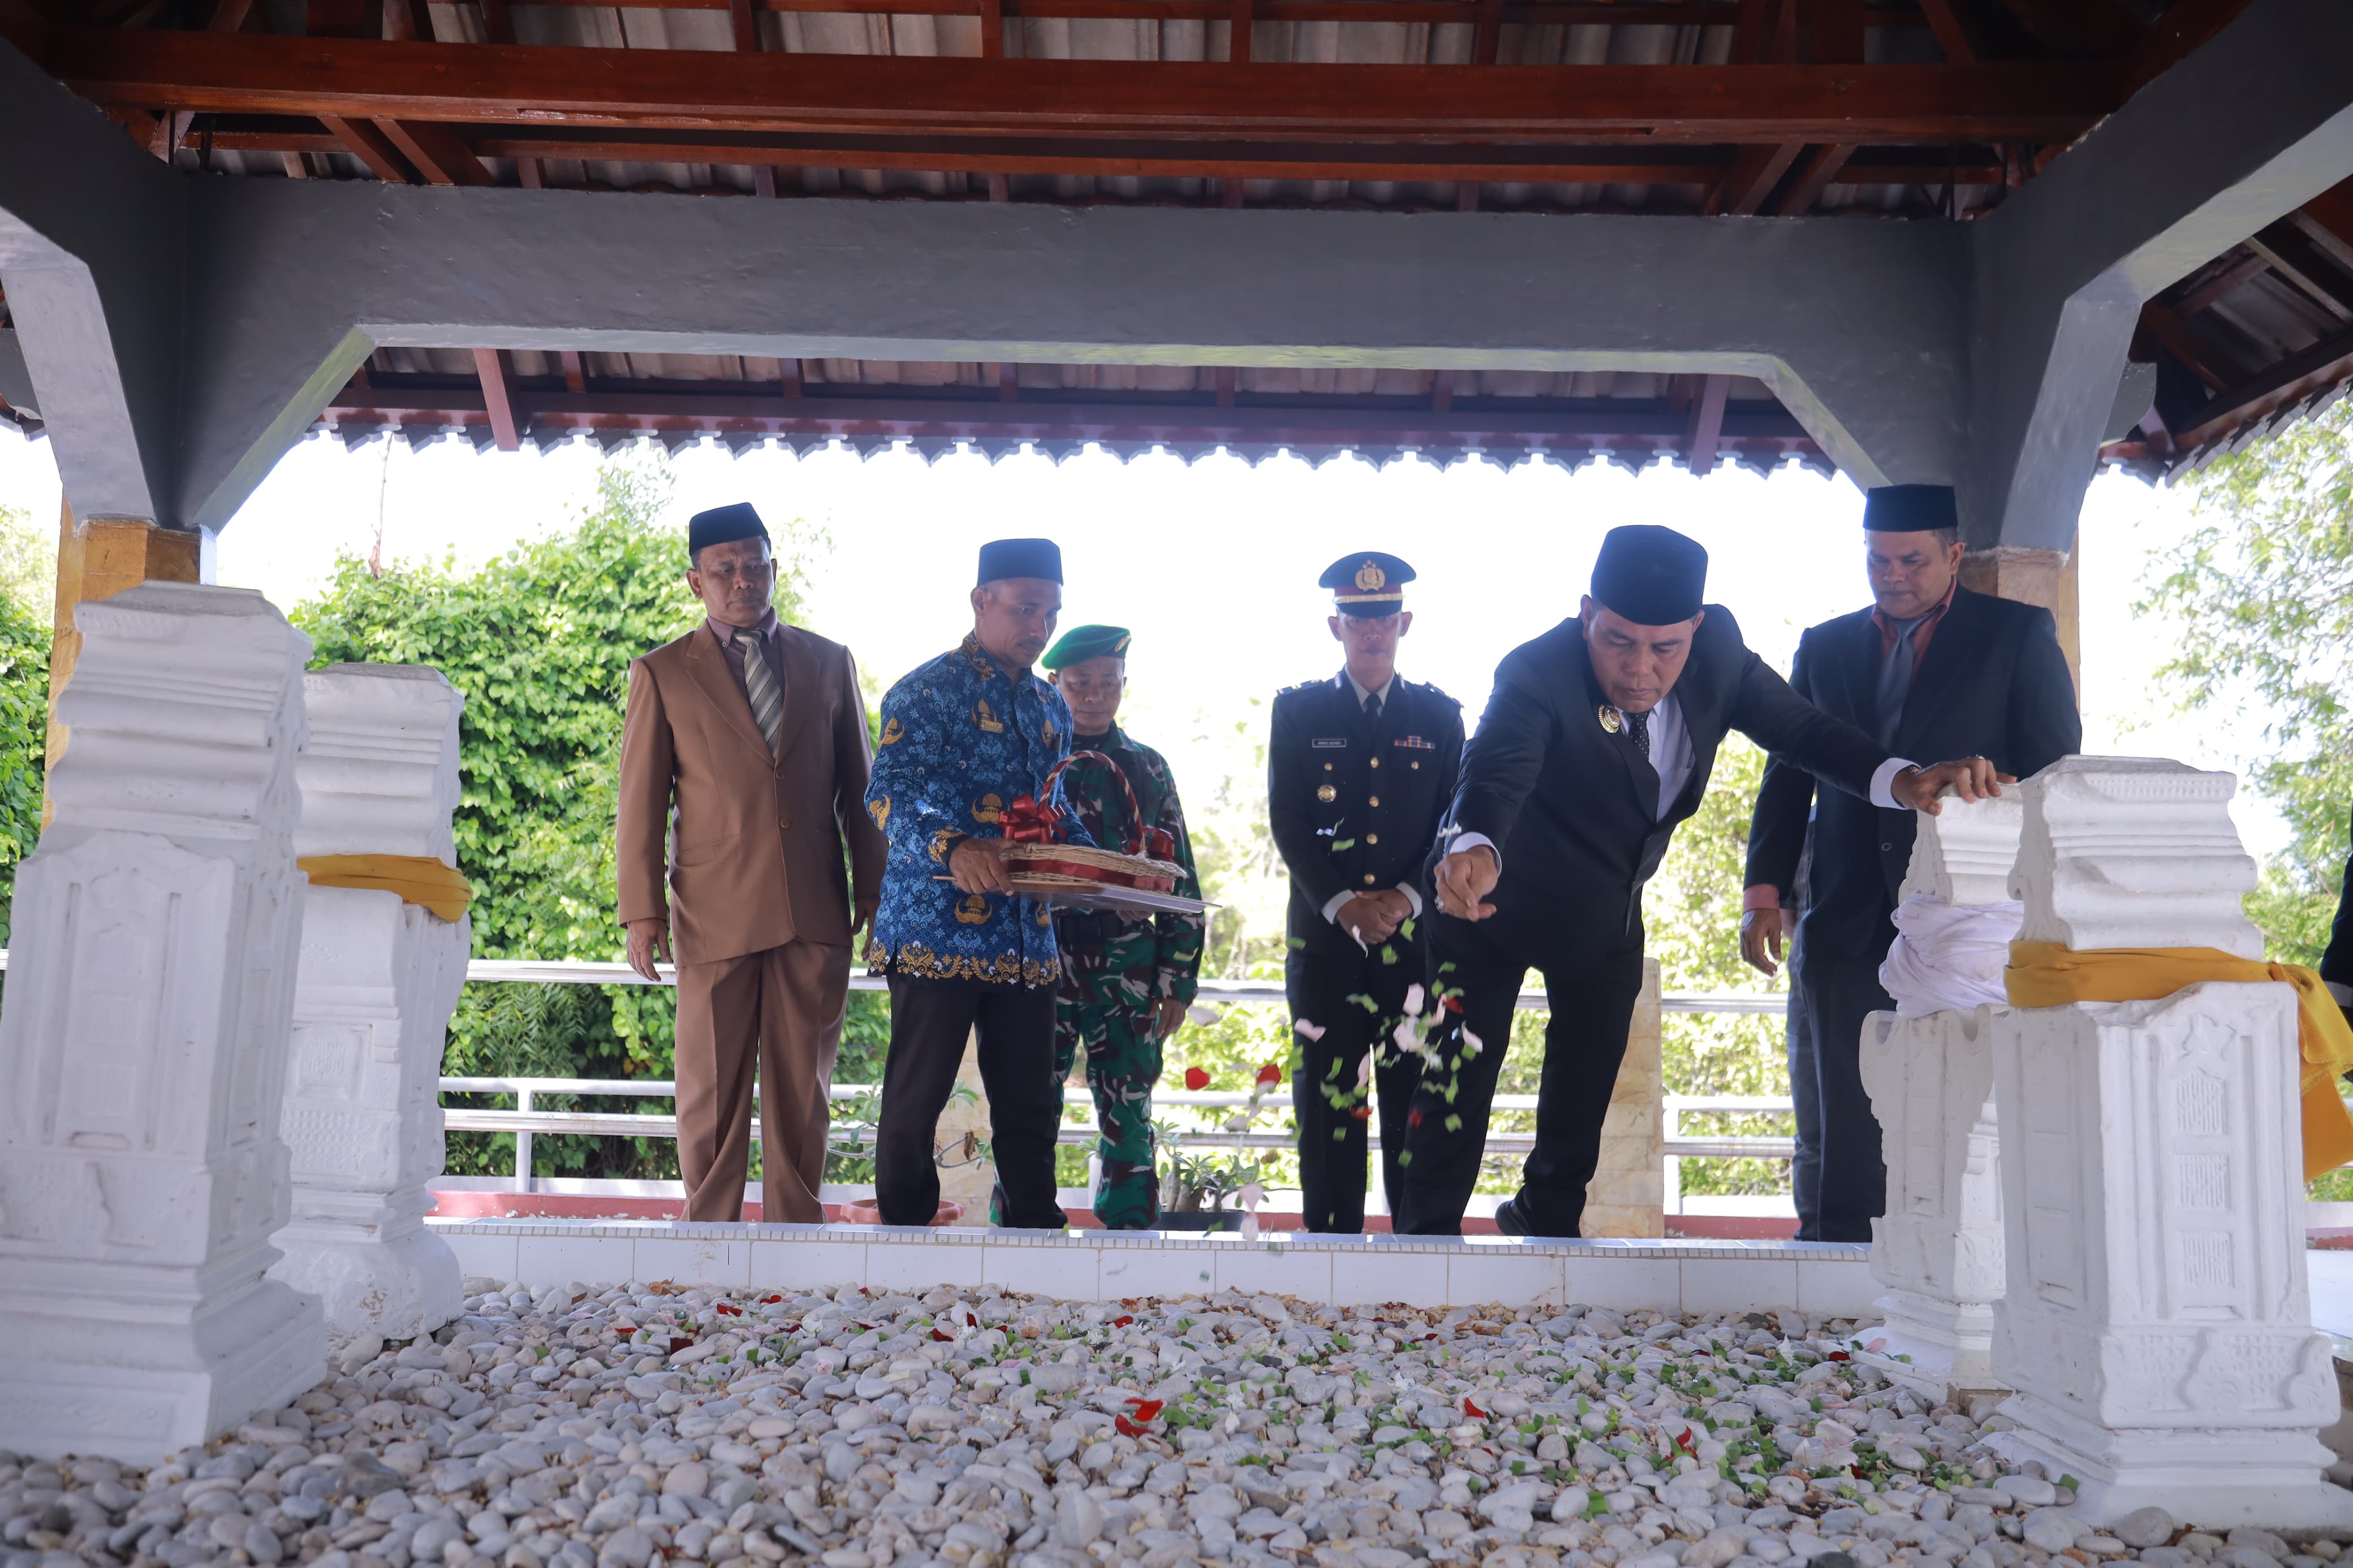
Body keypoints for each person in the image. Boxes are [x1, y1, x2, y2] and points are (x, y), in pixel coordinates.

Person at [1400, 522, 2003, 1238]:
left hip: (1602, 912)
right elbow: (1495, 769)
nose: (1640, 670)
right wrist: (1474, 844)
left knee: (1581, 1093)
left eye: (1665, 648)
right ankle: (1419, 1246)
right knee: (1452, 1086)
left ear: (1694, 628)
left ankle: (1545, 1231)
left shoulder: (1720, 654)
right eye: (1617, 641)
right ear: (1587, 614)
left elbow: (1802, 732)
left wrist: (1900, 781)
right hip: (1485, 902)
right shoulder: (1535, 671)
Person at [1740, 483, 2079, 1241]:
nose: (1893, 575)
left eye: (1912, 560)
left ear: (1954, 555)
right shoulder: (1822, 647)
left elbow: (2058, 772)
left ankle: (1960, 1258)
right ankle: (1835, 1261)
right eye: (1878, 560)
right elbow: (1786, 778)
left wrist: (1994, 785)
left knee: (1964, 1096)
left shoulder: (2017, 634)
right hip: (1843, 909)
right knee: (1838, 1103)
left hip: (1969, 918)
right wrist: (1764, 891)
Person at [617, 502, 887, 1224]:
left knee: (805, 1085)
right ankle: (708, 1227)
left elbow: (860, 789)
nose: (742, 580)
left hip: (814, 904)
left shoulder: (829, 661)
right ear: (695, 582)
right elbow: (641, 803)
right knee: (709, 1083)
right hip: (713, 910)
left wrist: (875, 891)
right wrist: (641, 911)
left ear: (774, 566)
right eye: (723, 569)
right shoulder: (664, 671)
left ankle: (796, 1227)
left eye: (754, 563)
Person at [863, 538, 1093, 1230]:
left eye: (1050, 613)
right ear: (980, 601)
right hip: (937, 930)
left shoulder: (1050, 709)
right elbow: (887, 795)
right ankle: (902, 1246)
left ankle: (1034, 1239)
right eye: (1025, 609)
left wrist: (1111, 872)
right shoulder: (924, 691)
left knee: (1030, 1101)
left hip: (1026, 937)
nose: (1039, 628)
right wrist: (954, 844)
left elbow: (1056, 814)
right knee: (916, 1099)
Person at [1270, 553, 1464, 1233]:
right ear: (1336, 626)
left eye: (1383, 618)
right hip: (1324, 943)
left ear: (1403, 621)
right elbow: (1288, 820)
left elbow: (1453, 821)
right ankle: (1329, 1249)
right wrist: (1343, 904)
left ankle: (1416, 1252)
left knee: (1415, 1096)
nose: (1371, 631)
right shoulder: (1297, 710)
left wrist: (1404, 900)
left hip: (1414, 944)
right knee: (1329, 1101)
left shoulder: (1438, 716)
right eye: (1358, 619)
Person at [1040, 624, 1205, 1229]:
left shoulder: (1146, 768)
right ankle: (1021, 1235)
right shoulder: (1033, 761)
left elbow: (1180, 878)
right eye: (1079, 683)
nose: (1092, 695)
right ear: (1053, 683)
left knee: (1128, 1112)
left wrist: (1175, 982)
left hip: (1128, 968)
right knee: (1030, 1107)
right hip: (1041, 963)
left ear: (1122, 686)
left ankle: (1131, 1240)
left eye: (1106, 683)